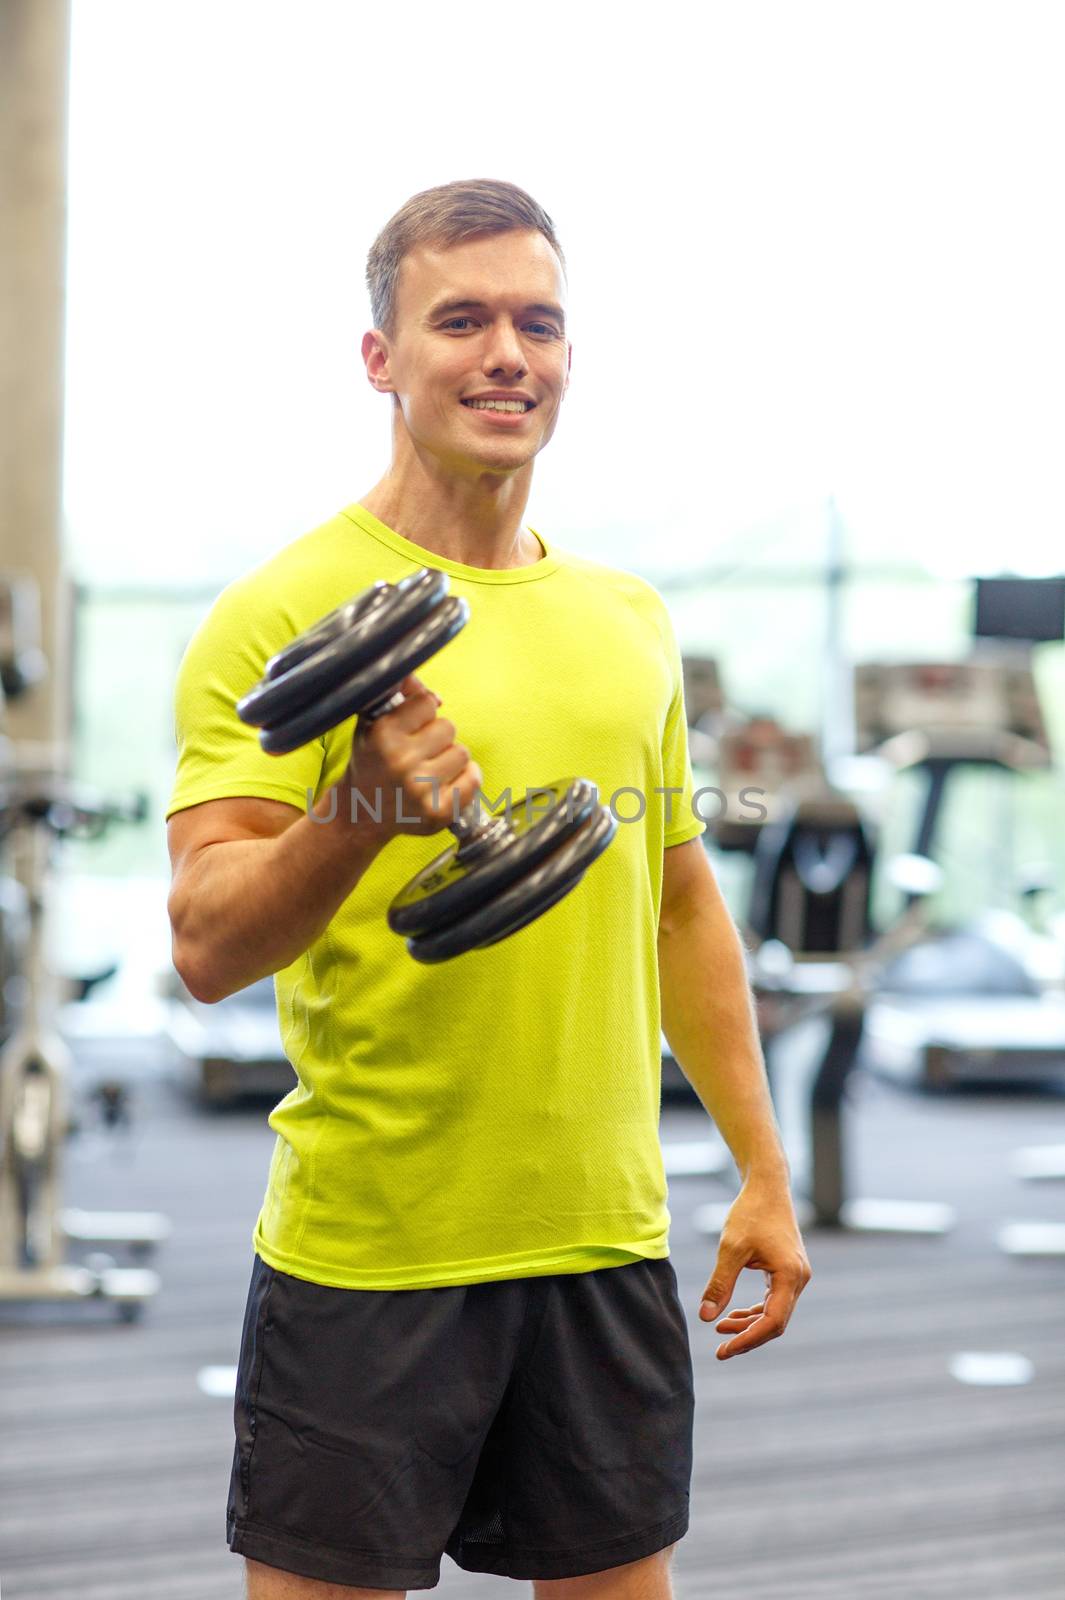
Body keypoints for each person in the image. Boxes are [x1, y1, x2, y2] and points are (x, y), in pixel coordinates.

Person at [166, 178, 811, 1600]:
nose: (505, 354)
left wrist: (762, 1169)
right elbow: (206, 943)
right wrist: (357, 813)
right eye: (459, 319)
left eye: (538, 323)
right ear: (379, 357)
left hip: (601, 1238)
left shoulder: (625, 619)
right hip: (376, 1247)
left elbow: (677, 903)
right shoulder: (283, 615)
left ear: (571, 359)